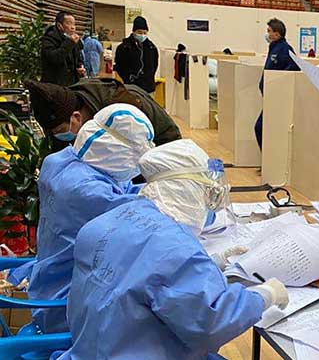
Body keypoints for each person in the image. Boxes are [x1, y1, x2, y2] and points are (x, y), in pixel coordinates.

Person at [54, 139, 289, 360]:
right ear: (189, 189)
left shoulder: (105, 222)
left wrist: (212, 262)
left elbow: (138, 271)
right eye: (208, 193)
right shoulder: (176, 252)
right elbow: (211, 323)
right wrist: (264, 295)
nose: (209, 205)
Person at [29, 104, 155, 333]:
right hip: (69, 305)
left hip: (51, 284)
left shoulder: (60, 162)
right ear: (116, 153)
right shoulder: (87, 191)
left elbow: (124, 191)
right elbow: (149, 213)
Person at [26, 80, 181, 151]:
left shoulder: (123, 111)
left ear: (76, 117)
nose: (57, 135)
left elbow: (132, 159)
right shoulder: (70, 100)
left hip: (162, 148)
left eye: (59, 130)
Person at [255, 18, 299, 150]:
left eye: (269, 31)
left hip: (277, 97)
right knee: (263, 129)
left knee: (259, 127)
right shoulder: (273, 47)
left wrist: (278, 82)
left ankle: (268, 162)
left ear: (277, 33)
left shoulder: (285, 49)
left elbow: (295, 67)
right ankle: (267, 162)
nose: (267, 34)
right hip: (269, 96)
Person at [114, 16, 159, 93]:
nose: (142, 35)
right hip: (131, 88)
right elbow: (119, 66)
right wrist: (128, 78)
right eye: (139, 32)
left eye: (145, 33)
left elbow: (154, 65)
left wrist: (149, 77)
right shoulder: (124, 47)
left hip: (148, 88)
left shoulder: (151, 47)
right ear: (134, 31)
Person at [40, 11, 85, 86]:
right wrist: (69, 43)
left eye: (74, 24)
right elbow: (54, 58)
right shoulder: (48, 39)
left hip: (71, 85)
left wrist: (80, 68)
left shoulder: (73, 40)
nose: (73, 27)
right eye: (69, 23)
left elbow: (78, 59)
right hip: (54, 86)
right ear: (59, 25)